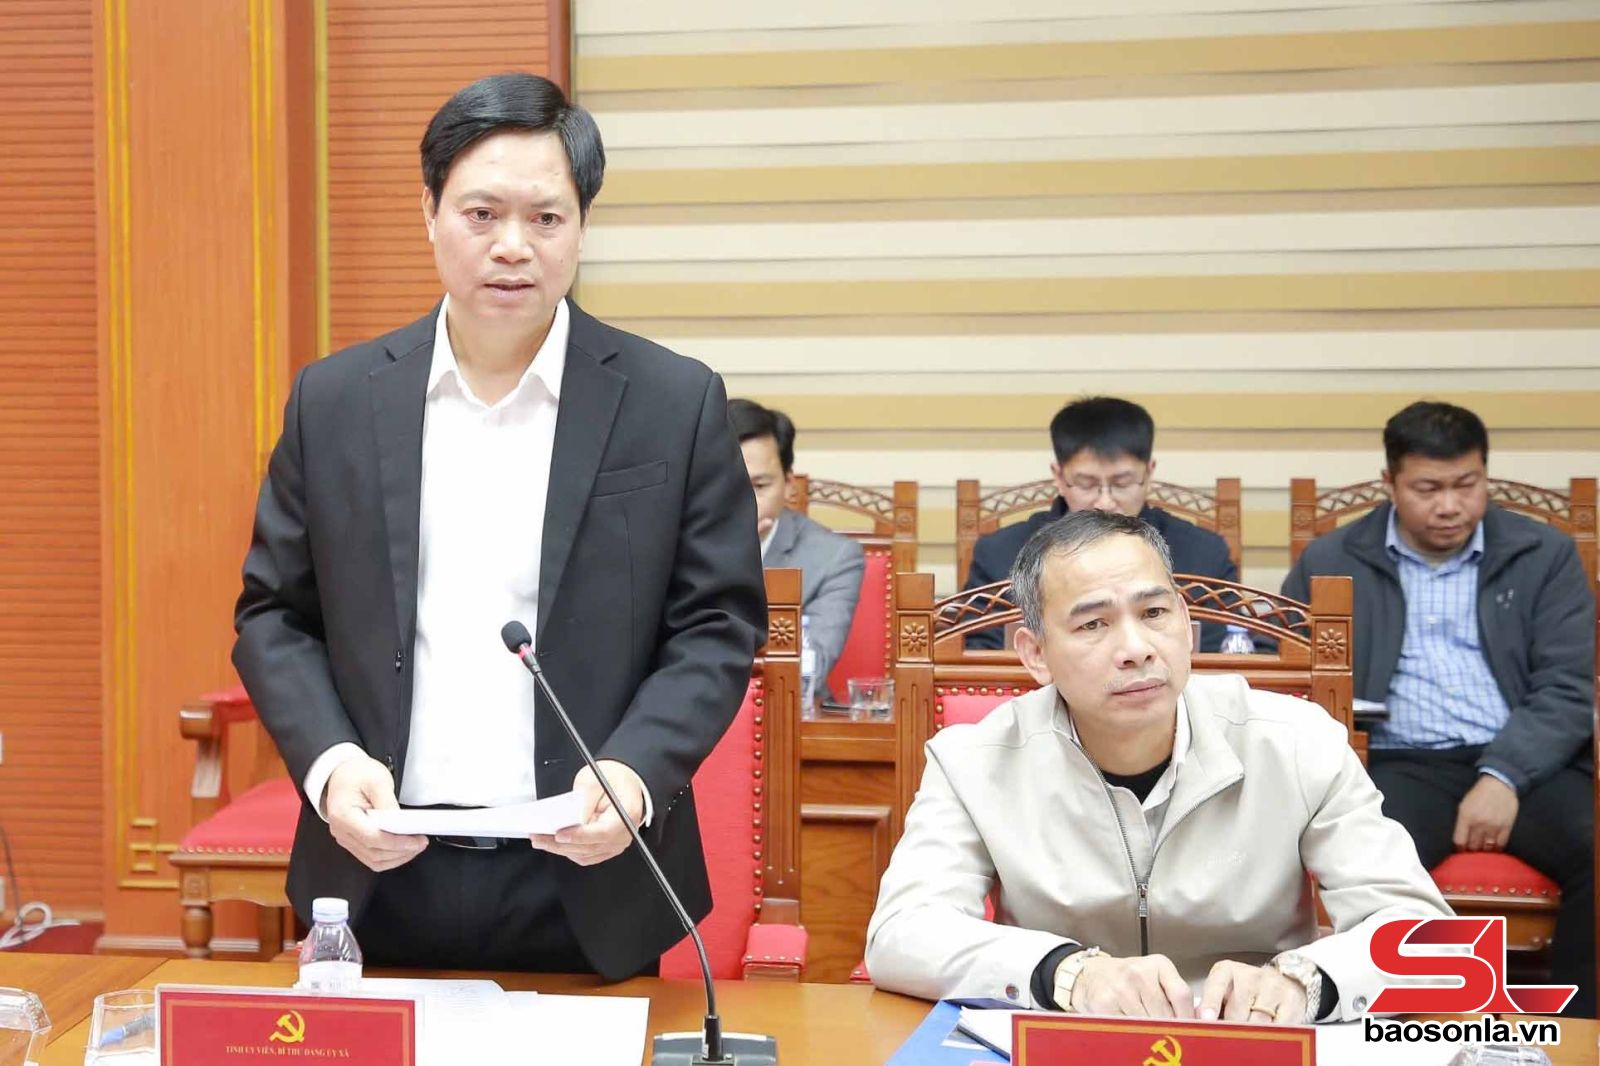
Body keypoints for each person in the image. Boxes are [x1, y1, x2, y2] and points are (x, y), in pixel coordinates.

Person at [232, 72, 766, 979]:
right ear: (430, 213)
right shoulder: (334, 400)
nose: (513, 246)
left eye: (546, 218)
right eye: (481, 214)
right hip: (380, 867)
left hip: (587, 871)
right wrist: (329, 764)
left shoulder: (671, 402)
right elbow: (273, 615)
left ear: (582, 228)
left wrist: (635, 771)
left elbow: (717, 623)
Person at [867, 509, 1450, 1022]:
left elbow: (1429, 941)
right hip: (1066, 1035)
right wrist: (1066, 973)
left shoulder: (1297, 743)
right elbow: (902, 933)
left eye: (1153, 612)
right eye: (1093, 624)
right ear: (1036, 655)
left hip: (1253, 1037)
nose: (1136, 648)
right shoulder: (973, 762)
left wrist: (1304, 983)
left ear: (1187, 627)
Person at [1283, 400, 1595, 1017]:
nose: (1450, 506)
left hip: (1527, 759)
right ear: (1390, 483)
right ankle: (1405, 1034)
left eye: (1467, 485)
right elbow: (1297, 674)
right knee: (1368, 871)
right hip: (1396, 762)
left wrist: (1503, 775)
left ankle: (1578, 1032)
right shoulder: (1332, 560)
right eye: (1427, 489)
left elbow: (1567, 684)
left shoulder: (1543, 553)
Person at [963, 396, 1236, 650]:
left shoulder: (1204, 554)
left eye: (1123, 483)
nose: (1105, 502)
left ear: (1149, 473)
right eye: (1086, 484)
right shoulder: (1000, 555)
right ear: (1059, 477)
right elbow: (973, 654)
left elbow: (1228, 652)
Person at [728, 398, 864, 698]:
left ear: (788, 484)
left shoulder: (834, 558)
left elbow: (807, 676)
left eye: (759, 486)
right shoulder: (670, 545)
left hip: (788, 715)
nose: (744, 502)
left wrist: (740, 564)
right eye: (729, 485)